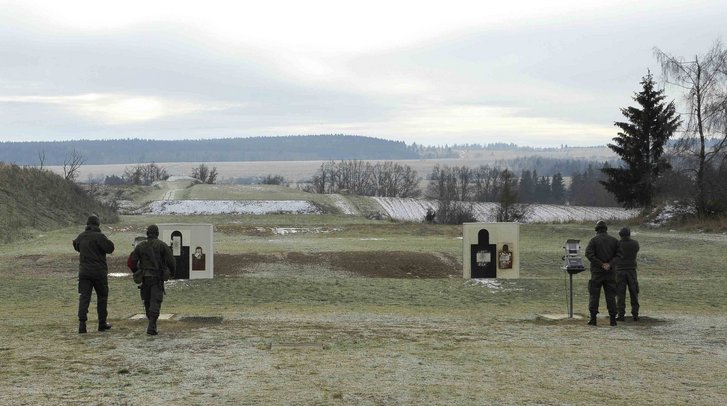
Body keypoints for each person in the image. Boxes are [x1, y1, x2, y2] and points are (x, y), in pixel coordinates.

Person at [129, 224, 175, 335]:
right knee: (155, 301)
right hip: (157, 278)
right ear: (157, 233)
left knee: (147, 301)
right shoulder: (162, 246)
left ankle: (151, 323)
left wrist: (137, 272)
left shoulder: (140, 246)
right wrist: (172, 273)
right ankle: (152, 326)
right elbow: (171, 261)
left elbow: (132, 262)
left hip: (145, 278)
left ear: (147, 233)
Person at [72, 215, 115, 334]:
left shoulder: (81, 236)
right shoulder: (100, 236)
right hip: (99, 272)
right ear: (97, 224)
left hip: (84, 272)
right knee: (102, 297)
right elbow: (110, 248)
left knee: (84, 298)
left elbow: (76, 245)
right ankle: (102, 324)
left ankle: (82, 324)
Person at [584, 220, 622, 326]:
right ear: (606, 229)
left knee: (594, 295)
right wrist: (610, 264)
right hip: (610, 273)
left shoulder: (593, 240)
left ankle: (593, 319)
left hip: (597, 273)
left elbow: (588, 254)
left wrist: (601, 264)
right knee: (611, 296)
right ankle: (613, 319)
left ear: (596, 230)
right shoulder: (614, 241)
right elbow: (619, 255)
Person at [615, 227, 640, 321]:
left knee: (620, 293)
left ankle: (620, 314)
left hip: (620, 271)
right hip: (631, 270)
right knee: (634, 292)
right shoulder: (635, 244)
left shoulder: (617, 244)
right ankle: (635, 314)